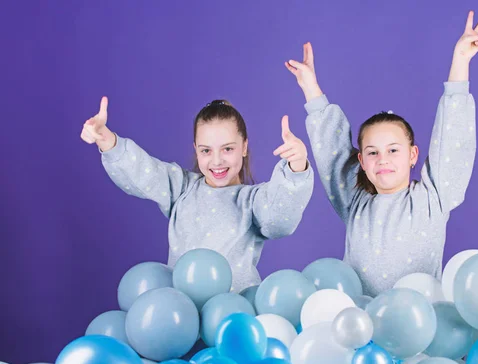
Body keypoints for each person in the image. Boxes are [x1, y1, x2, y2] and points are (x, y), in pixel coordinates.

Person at [285, 11, 478, 296]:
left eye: (393, 150)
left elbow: (452, 137)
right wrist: (310, 88)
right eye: (373, 152)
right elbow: (331, 148)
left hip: (419, 327)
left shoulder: (433, 196)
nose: (383, 159)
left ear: (413, 154)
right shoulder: (354, 198)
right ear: (362, 162)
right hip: (361, 327)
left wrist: (461, 61)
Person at [80, 98, 314, 292]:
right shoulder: (181, 188)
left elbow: (280, 218)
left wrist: (296, 166)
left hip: (233, 321)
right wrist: (108, 141)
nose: (217, 161)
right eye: (206, 151)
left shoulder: (252, 201)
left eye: (228, 149)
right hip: (181, 321)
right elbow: (143, 172)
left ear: (244, 147)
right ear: (196, 149)